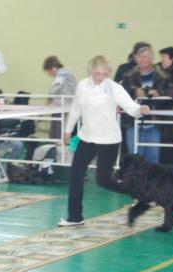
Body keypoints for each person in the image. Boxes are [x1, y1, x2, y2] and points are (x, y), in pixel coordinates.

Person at [60, 55, 150, 227]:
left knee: (103, 180)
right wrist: (68, 130)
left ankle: (138, 192)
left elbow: (130, 107)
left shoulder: (114, 87)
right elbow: (76, 108)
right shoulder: (82, 86)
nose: (100, 78)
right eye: (97, 74)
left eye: (104, 74)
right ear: (91, 72)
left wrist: (141, 110)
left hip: (109, 139)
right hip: (87, 137)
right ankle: (75, 217)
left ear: (108, 73)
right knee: (75, 176)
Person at [121, 47, 170, 163]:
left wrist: (159, 94)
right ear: (136, 58)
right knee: (133, 159)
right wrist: (134, 93)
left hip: (154, 123)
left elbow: (170, 96)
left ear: (152, 59)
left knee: (153, 160)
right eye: (140, 56)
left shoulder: (163, 76)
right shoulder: (127, 75)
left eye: (146, 57)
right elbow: (121, 94)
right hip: (133, 123)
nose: (143, 59)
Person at [42, 55, 77, 139]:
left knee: (56, 130)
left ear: (53, 68)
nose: (49, 74)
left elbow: (54, 89)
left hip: (60, 105)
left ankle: (56, 146)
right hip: (68, 104)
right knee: (60, 127)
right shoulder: (68, 73)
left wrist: (48, 101)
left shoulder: (61, 75)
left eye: (48, 71)